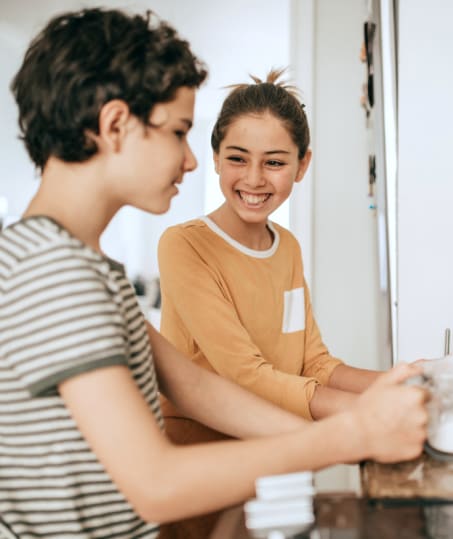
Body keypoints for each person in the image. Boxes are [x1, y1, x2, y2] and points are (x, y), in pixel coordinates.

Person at [0, 8, 427, 539]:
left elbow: (196, 386)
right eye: (179, 132)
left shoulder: (80, 266)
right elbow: (154, 483)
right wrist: (354, 436)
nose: (191, 160)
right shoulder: (55, 275)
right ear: (115, 125)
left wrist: (363, 422)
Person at [157, 70, 382, 429]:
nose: (254, 178)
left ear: (301, 165)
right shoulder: (184, 246)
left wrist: (403, 382)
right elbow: (244, 375)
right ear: (215, 157)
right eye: (237, 159)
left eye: (274, 162)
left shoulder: (287, 247)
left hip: (276, 439)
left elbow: (314, 363)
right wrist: (369, 414)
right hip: (202, 453)